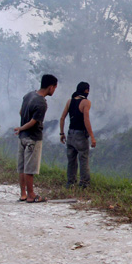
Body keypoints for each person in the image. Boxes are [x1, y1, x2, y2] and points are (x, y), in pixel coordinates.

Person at [14, 74, 58, 203]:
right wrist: (21, 128)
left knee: (22, 167)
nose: (54, 91)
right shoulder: (42, 103)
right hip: (33, 137)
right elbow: (33, 122)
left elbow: (21, 112)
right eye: (55, 88)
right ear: (50, 87)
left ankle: (23, 194)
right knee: (30, 168)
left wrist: (22, 128)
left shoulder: (28, 95)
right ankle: (31, 195)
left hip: (22, 138)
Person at [59, 82, 96, 188]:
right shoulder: (86, 102)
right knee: (83, 159)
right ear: (86, 91)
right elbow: (86, 120)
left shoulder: (69, 101)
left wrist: (62, 133)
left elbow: (62, 118)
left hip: (70, 134)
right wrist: (92, 137)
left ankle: (70, 182)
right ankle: (84, 184)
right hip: (80, 135)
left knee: (71, 160)